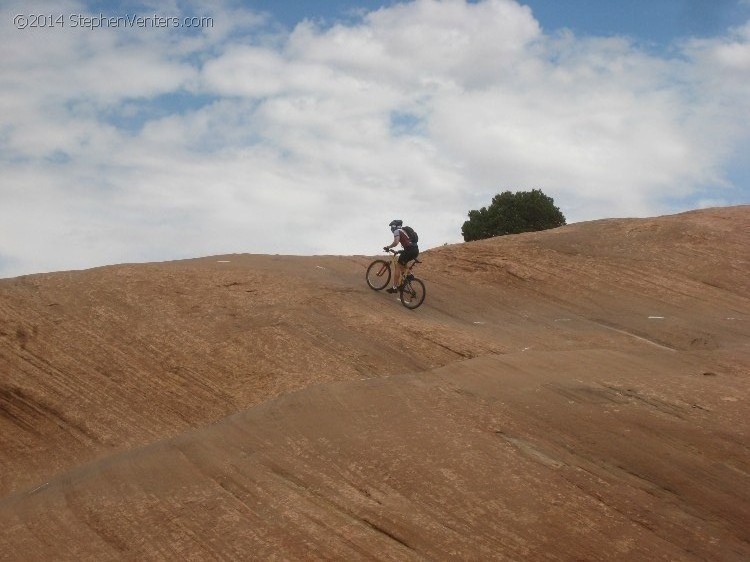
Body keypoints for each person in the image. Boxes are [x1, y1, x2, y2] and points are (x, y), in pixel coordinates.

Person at [383, 219, 419, 293]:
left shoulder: (397, 231)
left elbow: (396, 242)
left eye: (391, 227)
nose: (391, 229)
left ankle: (394, 287)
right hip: (415, 250)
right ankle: (409, 276)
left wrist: (388, 247)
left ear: (394, 226)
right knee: (403, 263)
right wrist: (400, 251)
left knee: (398, 266)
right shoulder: (404, 231)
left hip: (409, 250)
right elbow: (408, 243)